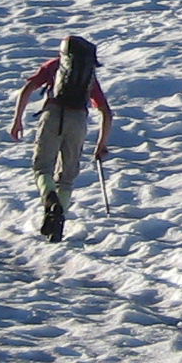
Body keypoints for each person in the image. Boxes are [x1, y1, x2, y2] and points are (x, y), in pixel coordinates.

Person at [9, 35, 110, 241]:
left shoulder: (55, 66)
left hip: (53, 114)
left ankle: (49, 199)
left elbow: (27, 89)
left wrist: (17, 119)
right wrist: (101, 144)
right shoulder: (88, 76)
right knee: (67, 177)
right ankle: (58, 223)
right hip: (79, 119)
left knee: (42, 168)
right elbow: (106, 112)